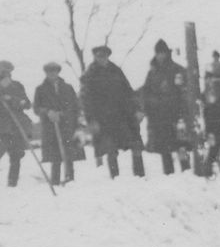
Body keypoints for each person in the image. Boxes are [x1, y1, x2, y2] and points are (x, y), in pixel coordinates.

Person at [81, 44, 143, 178]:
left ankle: (140, 177)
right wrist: (91, 121)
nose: (101, 59)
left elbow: (128, 91)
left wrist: (137, 109)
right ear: (95, 57)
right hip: (103, 119)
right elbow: (86, 101)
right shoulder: (90, 74)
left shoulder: (116, 71)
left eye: (104, 56)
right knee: (111, 150)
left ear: (108, 57)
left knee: (136, 145)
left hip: (122, 116)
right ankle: (115, 180)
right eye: (99, 56)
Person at [0, 60, 35, 186]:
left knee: (16, 157)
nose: (4, 72)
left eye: (7, 70)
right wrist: (2, 86)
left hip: (16, 127)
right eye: (1, 69)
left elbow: (27, 104)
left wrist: (13, 99)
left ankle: (12, 185)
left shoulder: (17, 85)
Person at [139, 39, 189, 176]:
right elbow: (146, 92)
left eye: (163, 53)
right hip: (159, 117)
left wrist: (183, 111)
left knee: (181, 146)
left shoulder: (177, 70)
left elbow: (184, 91)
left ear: (167, 53)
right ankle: (169, 175)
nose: (161, 56)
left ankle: (187, 172)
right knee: (164, 149)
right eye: (158, 53)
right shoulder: (152, 73)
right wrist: (150, 104)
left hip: (176, 115)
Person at [33, 61, 82, 183]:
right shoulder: (40, 89)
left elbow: (75, 106)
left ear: (58, 72)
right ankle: (55, 181)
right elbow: (36, 108)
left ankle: (70, 180)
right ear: (46, 73)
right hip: (50, 127)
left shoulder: (68, 87)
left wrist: (62, 114)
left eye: (54, 71)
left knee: (68, 154)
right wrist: (48, 112)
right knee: (55, 156)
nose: (52, 74)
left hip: (66, 126)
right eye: (49, 71)